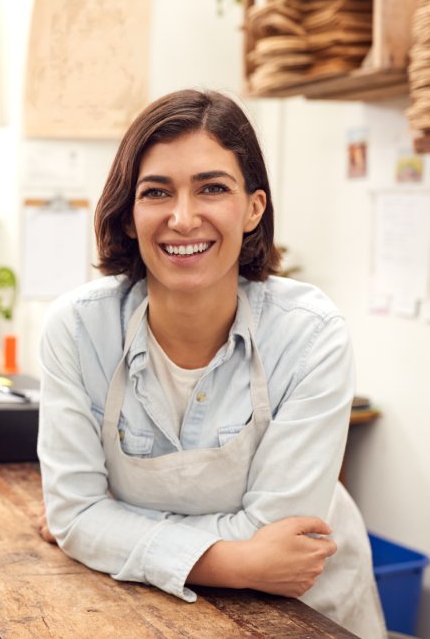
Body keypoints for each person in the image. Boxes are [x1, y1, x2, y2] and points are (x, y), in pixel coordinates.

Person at [37, 89, 385, 638]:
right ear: (129, 215)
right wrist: (236, 561)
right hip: (153, 613)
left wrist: (110, 528)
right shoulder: (80, 330)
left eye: (212, 188)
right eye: (157, 192)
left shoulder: (310, 335)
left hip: (304, 613)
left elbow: (277, 532)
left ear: (253, 209)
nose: (182, 218)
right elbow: (76, 517)